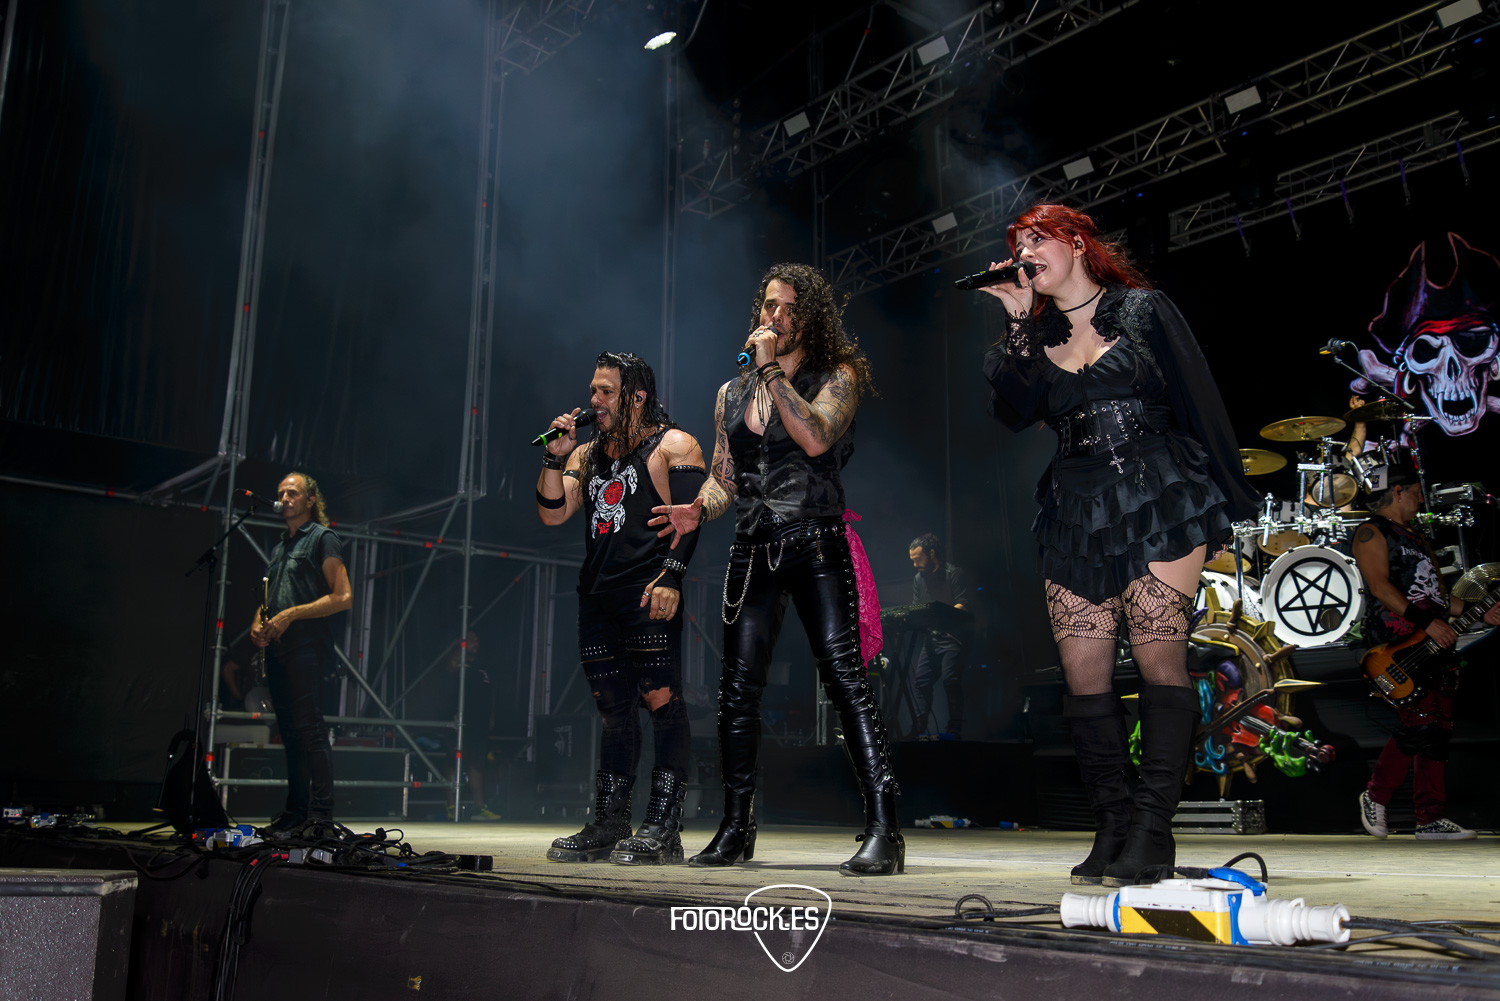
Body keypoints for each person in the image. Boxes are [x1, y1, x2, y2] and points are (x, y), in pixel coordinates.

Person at [981, 203, 1259, 886]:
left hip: (1158, 490)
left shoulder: (1142, 310)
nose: (1026, 252)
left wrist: (1233, 501)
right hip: (1074, 508)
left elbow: (1199, 398)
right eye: (1018, 243)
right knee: (1084, 676)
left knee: (1161, 659)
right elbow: (1014, 412)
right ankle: (1113, 823)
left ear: (1077, 244)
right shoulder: (1030, 335)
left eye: (1038, 239)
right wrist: (1016, 318)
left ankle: (1153, 830)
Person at [651, 262, 904, 877]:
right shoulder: (731, 394)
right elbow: (724, 478)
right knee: (737, 690)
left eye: (790, 307)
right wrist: (697, 508)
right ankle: (737, 827)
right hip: (752, 546)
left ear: (809, 317)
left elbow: (815, 437)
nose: (776, 317)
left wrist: (770, 370)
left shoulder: (836, 375)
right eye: (769, 305)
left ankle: (884, 829)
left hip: (814, 538)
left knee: (844, 679)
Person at [537, 352, 706, 865]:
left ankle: (663, 826)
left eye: (605, 391)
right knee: (612, 710)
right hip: (597, 596)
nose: (594, 400)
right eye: (593, 390)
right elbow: (553, 514)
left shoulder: (675, 445)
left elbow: (690, 519)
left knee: (661, 700)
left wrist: (671, 576)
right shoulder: (585, 454)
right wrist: (553, 458)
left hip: (647, 590)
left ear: (635, 396)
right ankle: (610, 822)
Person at [1351, 460, 1498, 840]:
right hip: (1398, 642)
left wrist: (1481, 611)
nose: (1420, 501)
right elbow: (1380, 587)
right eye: (1416, 493)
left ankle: (1429, 819)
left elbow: (1438, 598)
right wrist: (1426, 622)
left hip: (1434, 639)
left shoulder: (1416, 538)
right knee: (1419, 722)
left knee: (1437, 727)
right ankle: (1376, 795)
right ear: (1397, 492)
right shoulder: (1371, 532)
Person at [249, 472, 352, 834]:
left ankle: (321, 814)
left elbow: (343, 597)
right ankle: (296, 811)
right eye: (281, 493)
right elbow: (271, 599)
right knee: (290, 732)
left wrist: (291, 614)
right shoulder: (280, 547)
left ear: (310, 501)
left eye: (293, 492)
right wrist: (257, 623)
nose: (285, 497)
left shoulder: (322, 538)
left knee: (310, 730)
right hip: (279, 651)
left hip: (307, 649)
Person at [906, 533, 969, 739]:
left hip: (953, 638)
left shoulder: (954, 573)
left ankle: (955, 728)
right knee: (920, 682)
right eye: (912, 560)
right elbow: (917, 607)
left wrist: (940, 613)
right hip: (932, 639)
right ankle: (919, 727)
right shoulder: (918, 579)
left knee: (950, 680)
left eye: (918, 559)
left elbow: (963, 604)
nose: (915, 564)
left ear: (931, 553)